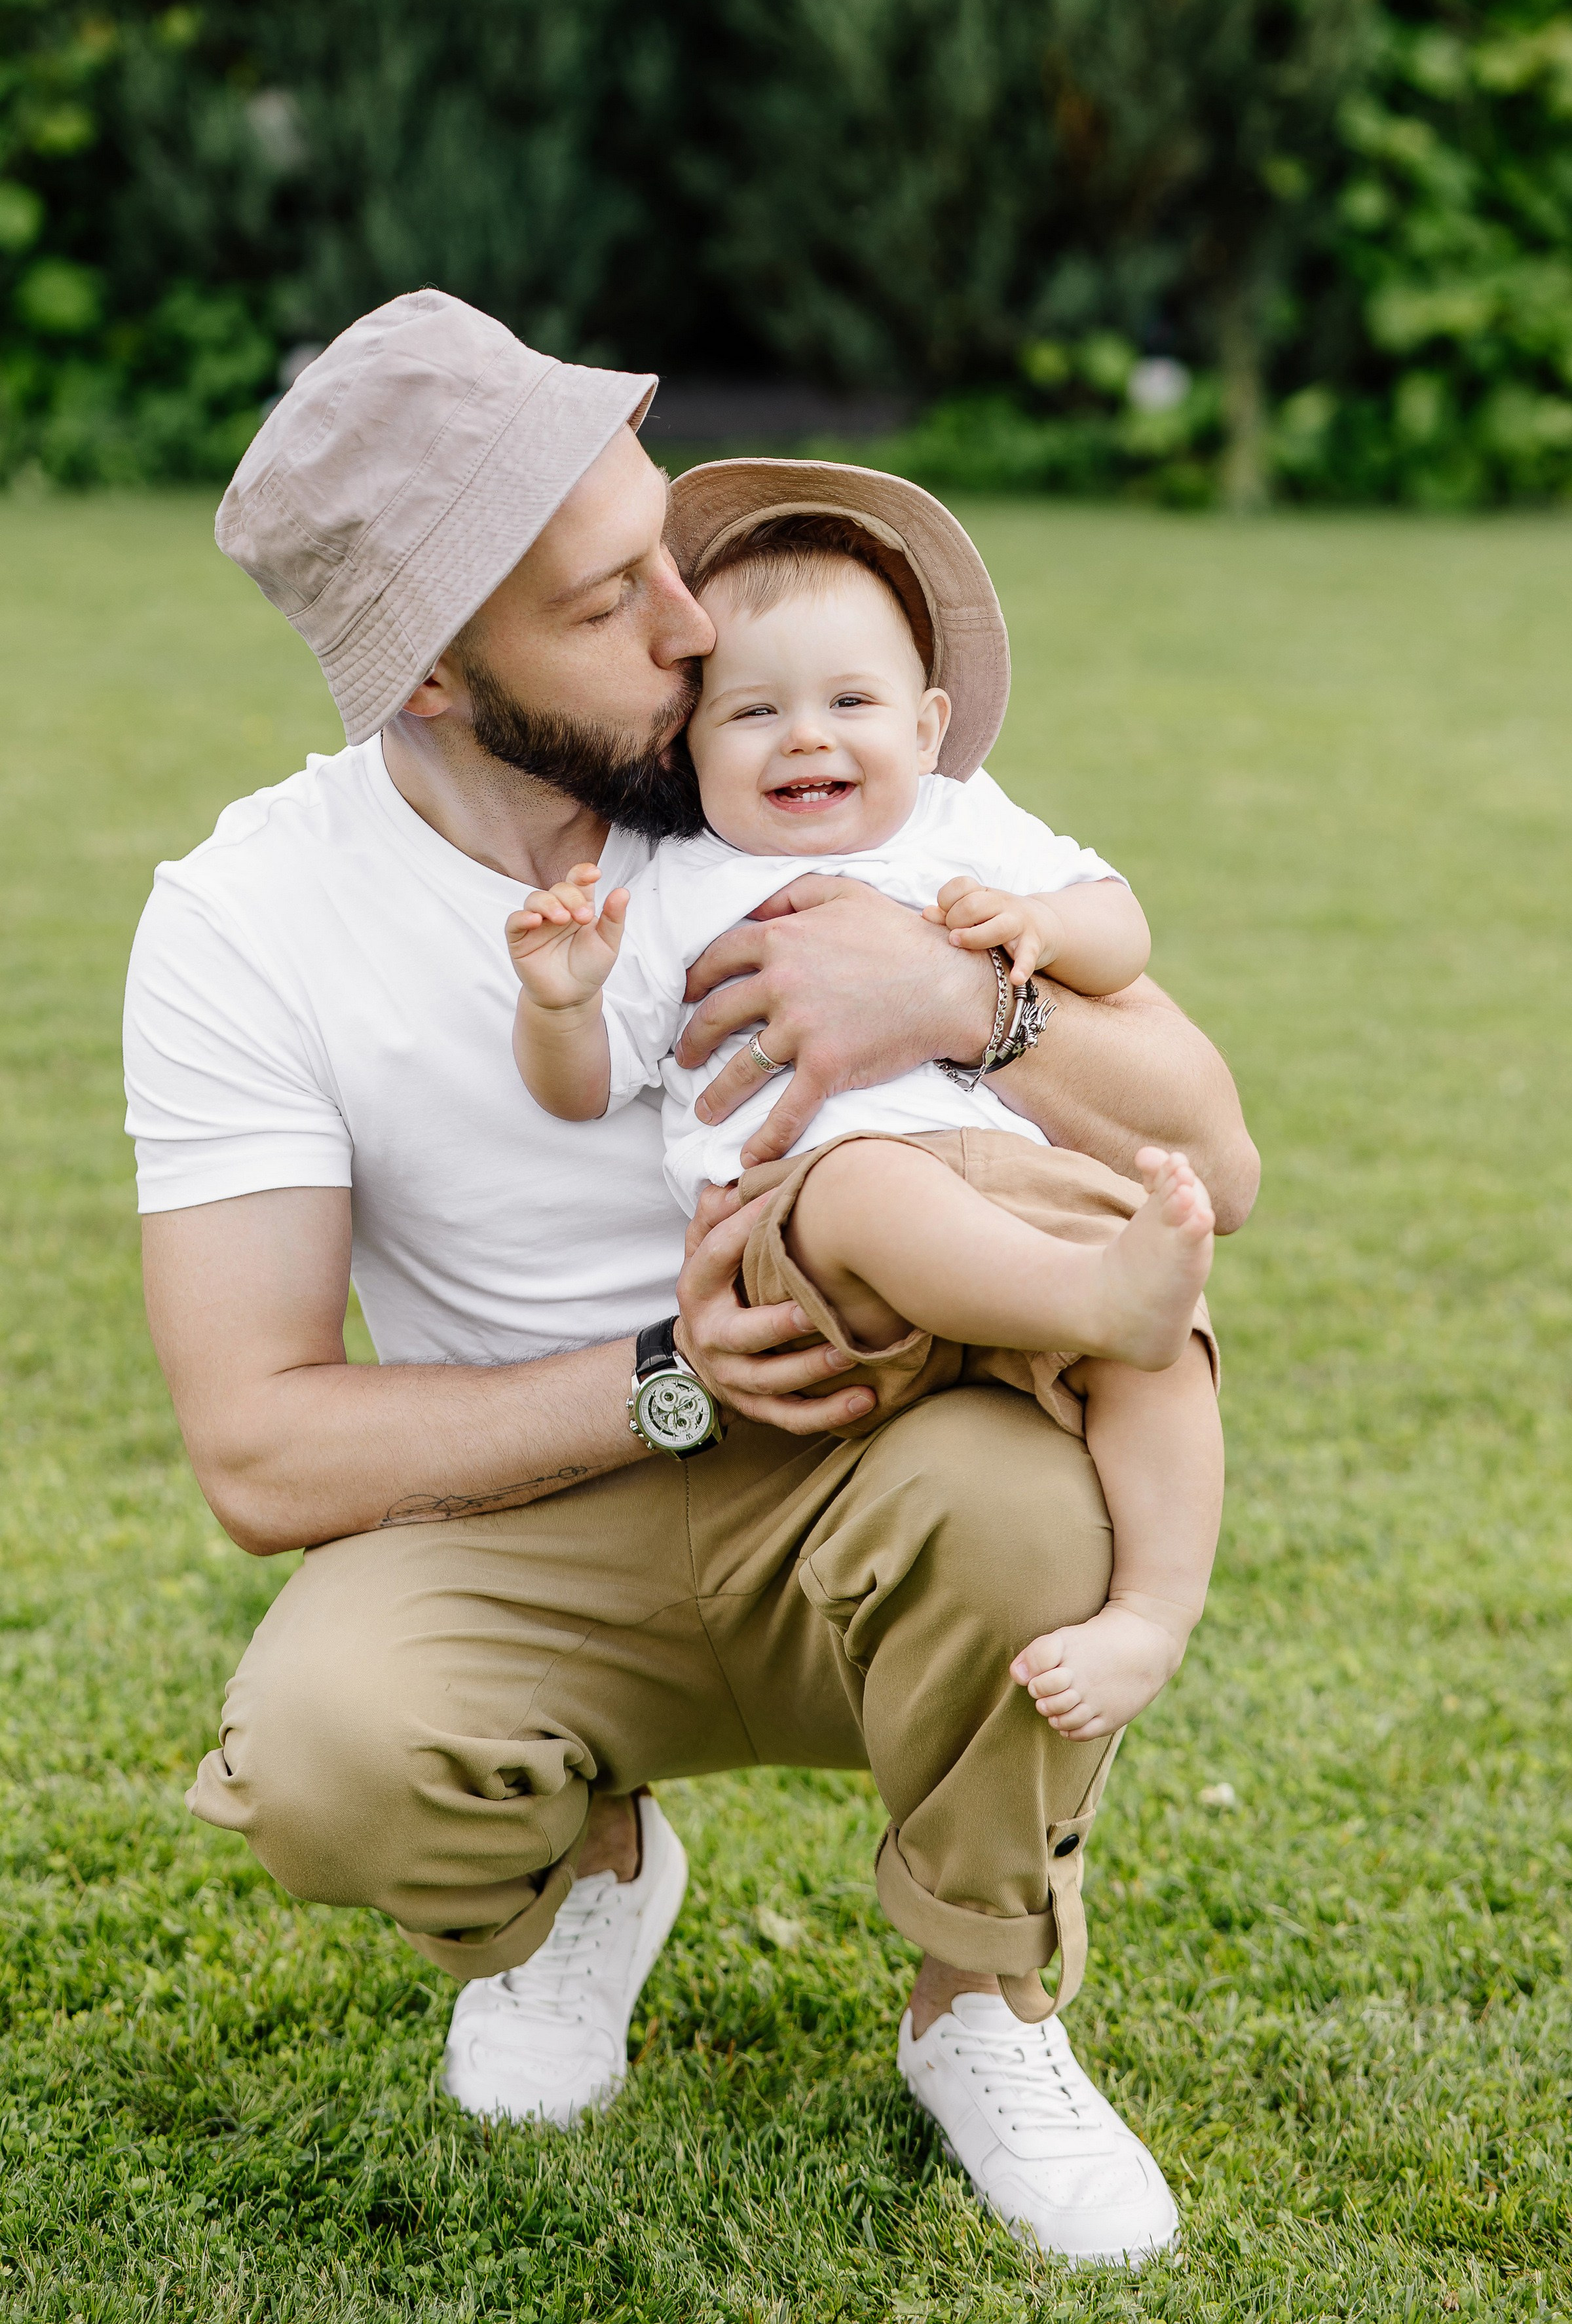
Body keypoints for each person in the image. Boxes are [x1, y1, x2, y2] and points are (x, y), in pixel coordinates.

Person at [124, 291, 1259, 2268]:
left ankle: (980, 2001)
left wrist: (959, 1001)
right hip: (548, 1509)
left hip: (875, 1483)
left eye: (664, 548)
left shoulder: (821, 791)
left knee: (1025, 1503)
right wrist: (678, 1372)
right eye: (603, 601)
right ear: (437, 684)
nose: (689, 623)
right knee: (324, 1744)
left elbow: (1215, 1159)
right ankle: (586, 1881)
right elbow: (256, 1449)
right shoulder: (246, 926)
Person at [508, 500, 1224, 1747]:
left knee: (1166, 1339)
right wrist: (562, 1004)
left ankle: (1153, 1614)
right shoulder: (673, 888)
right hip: (809, 1218)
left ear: (927, 726)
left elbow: (1122, 923)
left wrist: (1044, 931)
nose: (805, 739)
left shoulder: (964, 828)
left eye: (851, 703)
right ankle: (1089, 1302)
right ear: (686, 752)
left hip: (1016, 1184)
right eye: (753, 711)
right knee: (868, 1184)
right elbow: (577, 1085)